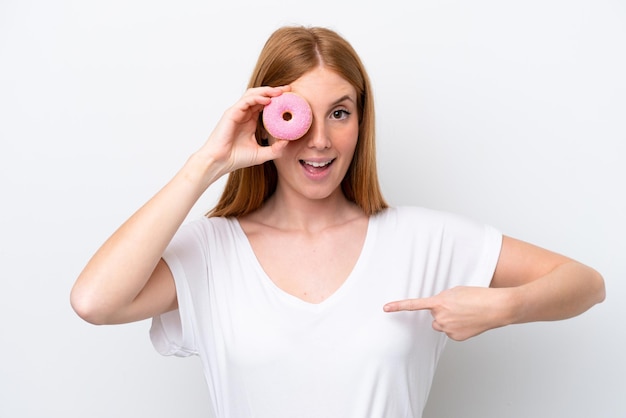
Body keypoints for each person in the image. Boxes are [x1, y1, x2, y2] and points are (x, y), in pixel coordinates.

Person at [70, 26, 605, 417]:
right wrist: (206, 164)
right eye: (299, 114)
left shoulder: (422, 239)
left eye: (340, 113)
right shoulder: (212, 251)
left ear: (360, 122)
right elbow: (95, 302)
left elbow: (587, 283)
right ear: (265, 121)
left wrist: (504, 306)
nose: (321, 140)